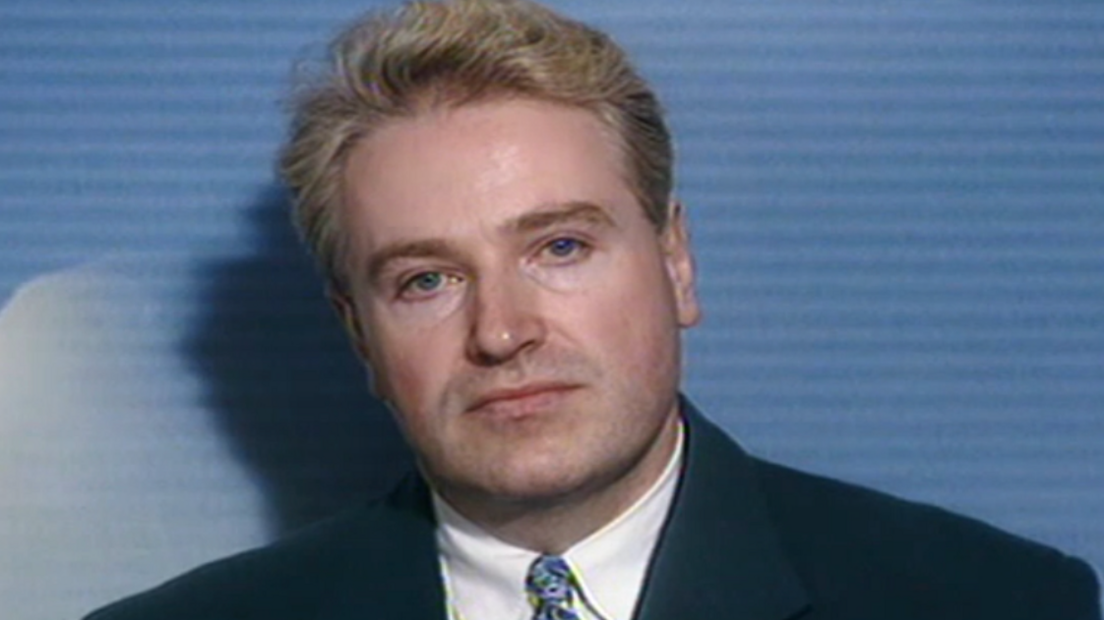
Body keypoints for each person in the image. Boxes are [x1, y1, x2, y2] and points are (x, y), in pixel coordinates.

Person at [86, 1, 1100, 618]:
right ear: (359, 331)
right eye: (425, 279)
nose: (503, 331)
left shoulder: (999, 602)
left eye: (560, 246)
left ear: (677, 264)